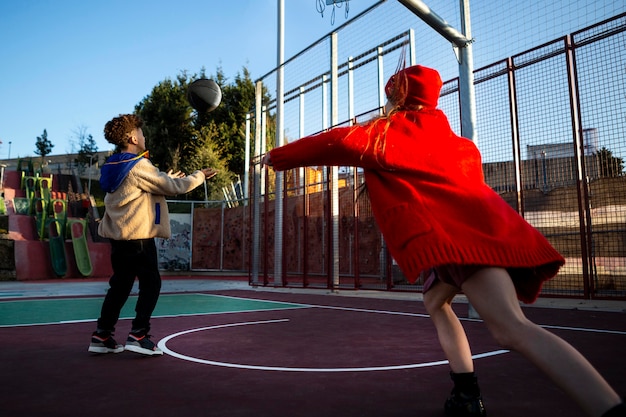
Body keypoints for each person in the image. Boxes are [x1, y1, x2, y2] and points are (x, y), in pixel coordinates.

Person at [261, 65, 625, 417]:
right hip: (468, 239)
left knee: (512, 329)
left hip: (467, 244)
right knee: (436, 300)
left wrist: (276, 157)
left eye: (387, 97)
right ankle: (466, 394)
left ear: (396, 98)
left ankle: (607, 406)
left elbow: (335, 140)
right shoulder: (460, 145)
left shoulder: (386, 133)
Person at [88, 114, 217, 356]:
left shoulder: (114, 166)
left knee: (120, 286)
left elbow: (143, 189)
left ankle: (102, 334)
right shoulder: (138, 165)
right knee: (151, 283)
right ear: (133, 138)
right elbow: (174, 187)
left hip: (119, 238)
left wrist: (166, 180)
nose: (145, 137)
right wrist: (198, 175)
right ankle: (139, 335)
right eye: (142, 133)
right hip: (138, 239)